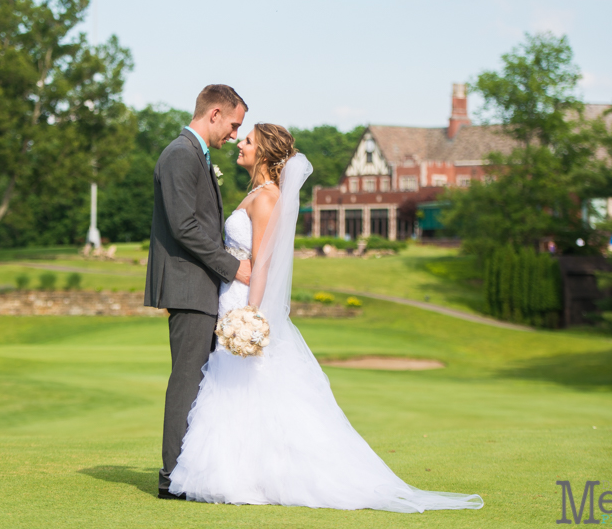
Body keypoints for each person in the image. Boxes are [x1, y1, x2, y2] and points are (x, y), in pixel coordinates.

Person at [167, 123, 484, 514]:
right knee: (230, 385)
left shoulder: (267, 198)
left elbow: (263, 263)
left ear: (264, 154)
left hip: (243, 303)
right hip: (229, 297)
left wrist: (252, 313)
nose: (239, 144)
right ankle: (238, 471)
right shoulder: (254, 193)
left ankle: (252, 475)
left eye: (247, 141)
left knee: (248, 385)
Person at [144, 84, 253, 500]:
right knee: (187, 381)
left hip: (202, 286)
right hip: (189, 286)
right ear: (214, 114)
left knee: (198, 381)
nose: (233, 134)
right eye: (233, 125)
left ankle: (192, 469)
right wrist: (234, 267)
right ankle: (172, 478)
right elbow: (184, 226)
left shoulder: (197, 156)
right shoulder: (179, 154)